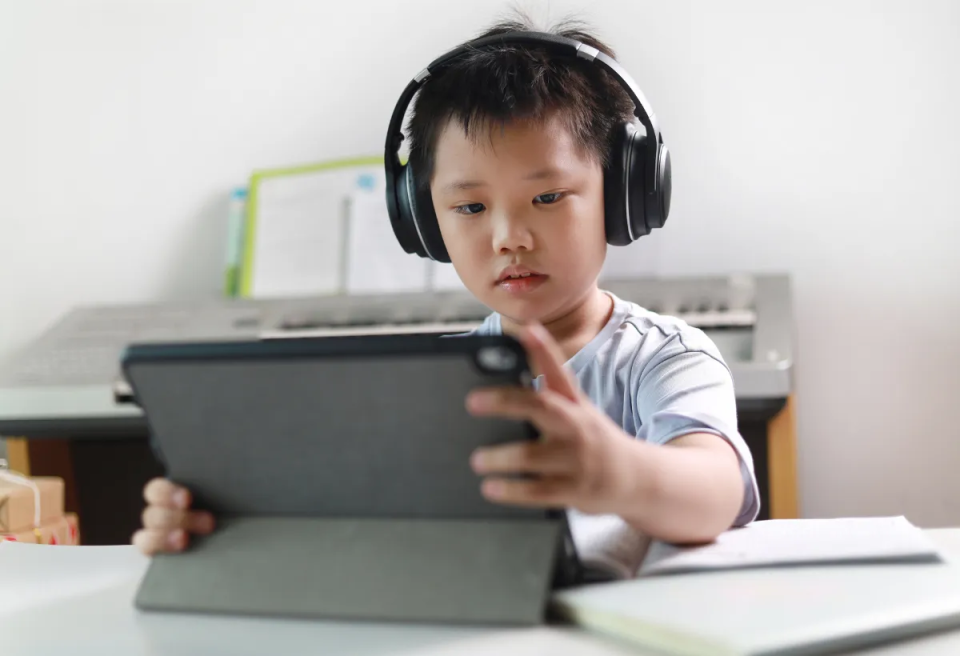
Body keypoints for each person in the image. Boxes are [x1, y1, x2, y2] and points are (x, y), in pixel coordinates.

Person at [134, 15, 759, 564]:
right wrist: (221, 524)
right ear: (423, 218)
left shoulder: (666, 358)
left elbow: (714, 490)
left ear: (625, 197)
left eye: (546, 197)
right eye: (469, 207)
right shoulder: (434, 385)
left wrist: (618, 474)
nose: (509, 237)